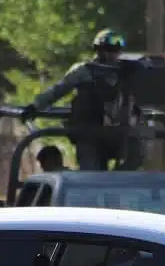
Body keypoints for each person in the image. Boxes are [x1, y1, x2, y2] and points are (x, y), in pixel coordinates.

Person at [26, 30, 131, 171]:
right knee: (90, 174)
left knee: (130, 167)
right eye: (109, 49)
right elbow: (58, 89)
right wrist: (35, 106)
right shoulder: (84, 70)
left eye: (116, 50)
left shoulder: (125, 71)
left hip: (116, 133)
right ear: (99, 50)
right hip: (87, 132)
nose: (113, 54)